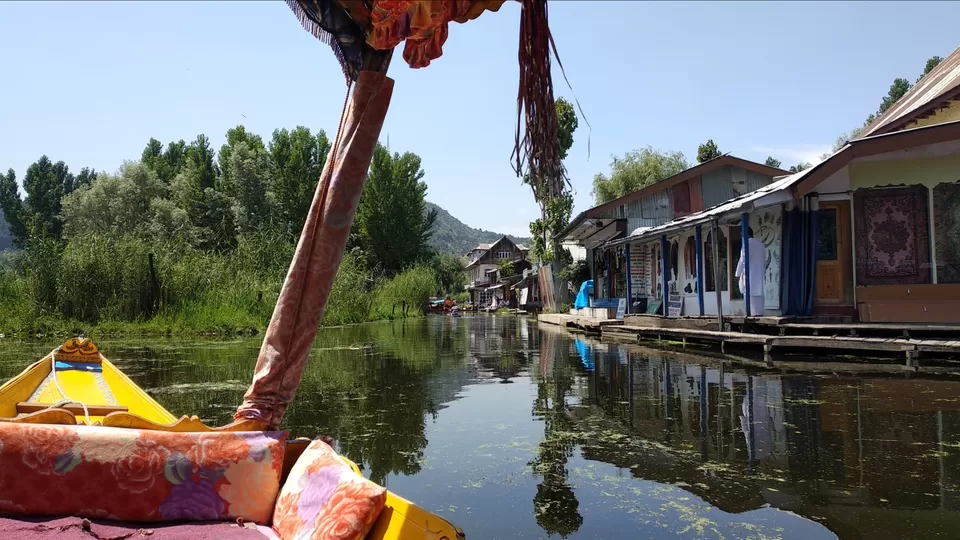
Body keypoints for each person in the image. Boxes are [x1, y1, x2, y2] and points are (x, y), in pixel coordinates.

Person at [735, 227, 765, 317]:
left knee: (749, 296)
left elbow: (743, 260)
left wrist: (737, 274)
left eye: (741, 235)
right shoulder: (760, 244)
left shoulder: (747, 244)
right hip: (759, 274)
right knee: (759, 297)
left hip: (749, 275)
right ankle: (759, 314)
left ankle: (751, 315)